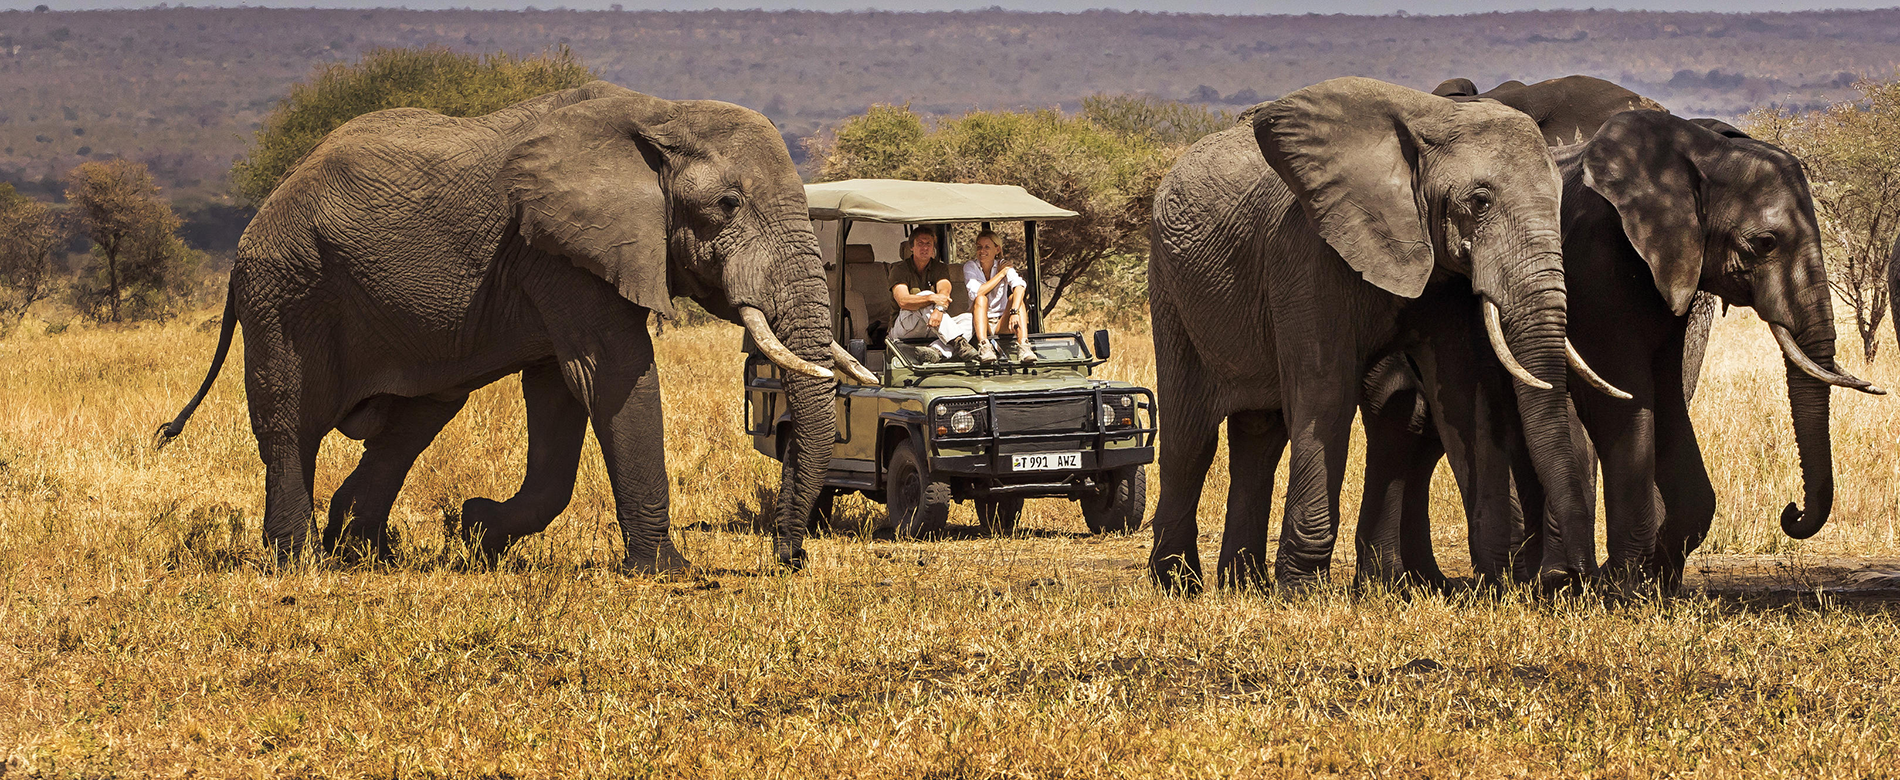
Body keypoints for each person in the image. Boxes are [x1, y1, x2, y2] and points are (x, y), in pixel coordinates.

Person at [887, 229, 978, 360]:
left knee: (970, 319)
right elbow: (903, 301)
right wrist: (931, 298)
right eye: (920, 244)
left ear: (933, 248)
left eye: (928, 244)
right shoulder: (899, 269)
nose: (925, 248)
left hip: (933, 324)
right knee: (925, 294)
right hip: (905, 327)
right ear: (912, 247)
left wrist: (939, 309)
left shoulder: (939, 268)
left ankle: (936, 351)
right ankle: (958, 342)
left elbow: (945, 293)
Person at [963, 229, 1037, 364]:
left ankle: (1024, 346)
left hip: (1001, 322)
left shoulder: (1003, 265)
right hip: (980, 323)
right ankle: (984, 345)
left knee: (1016, 299)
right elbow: (977, 292)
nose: (982, 251)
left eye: (987, 247)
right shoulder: (970, 266)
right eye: (979, 247)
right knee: (981, 298)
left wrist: (1014, 311)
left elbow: (1020, 286)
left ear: (997, 249)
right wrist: (1001, 274)